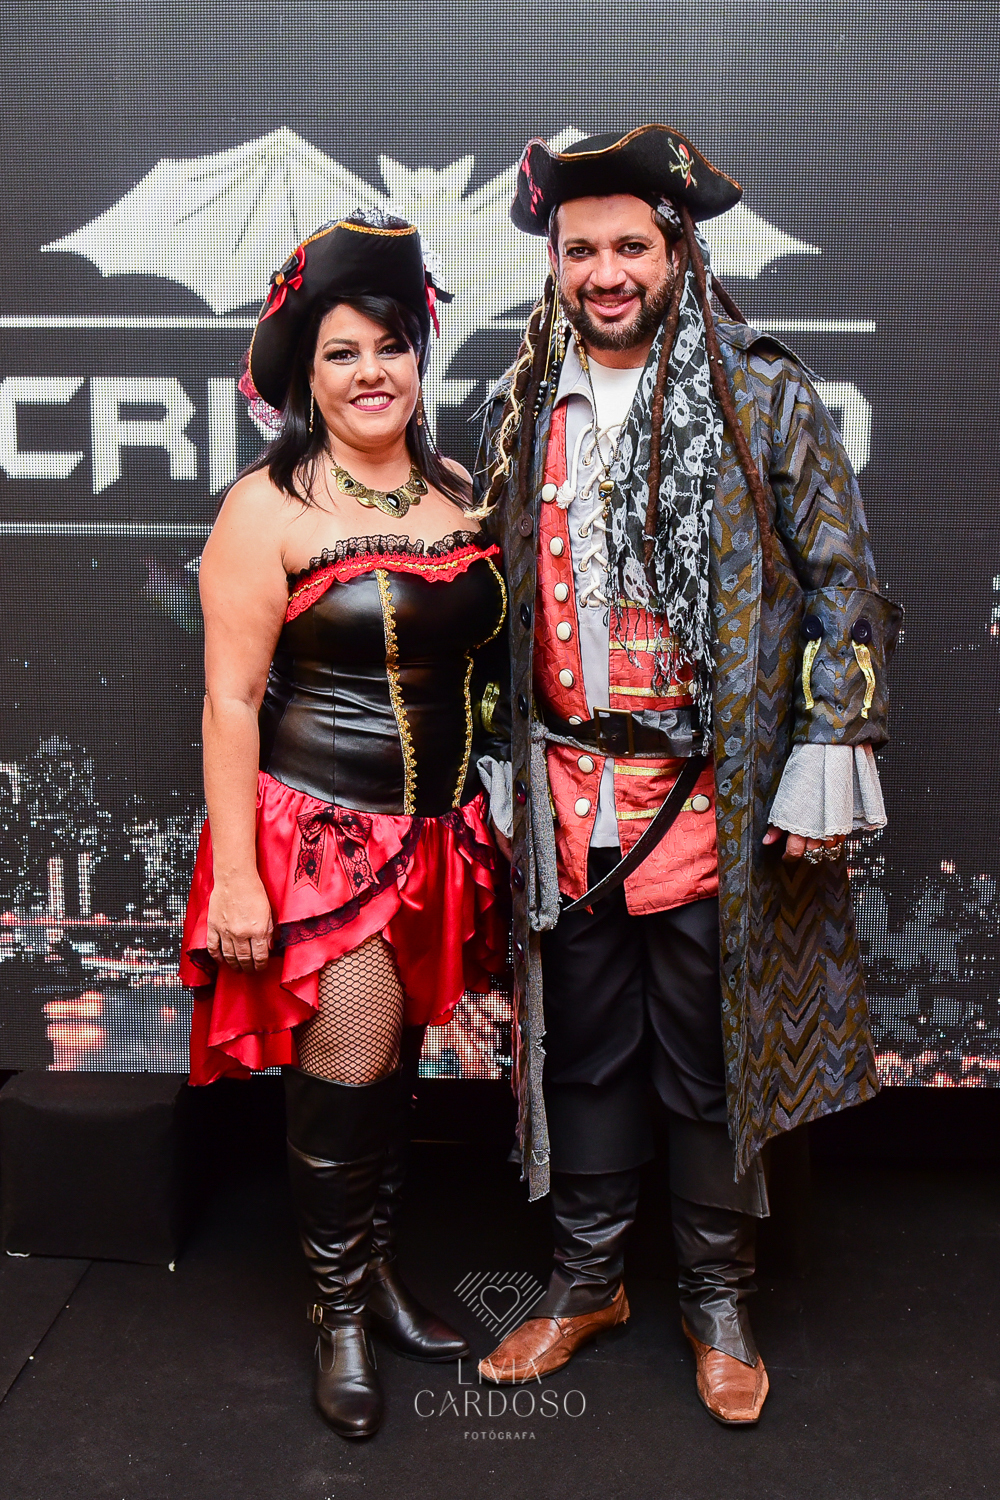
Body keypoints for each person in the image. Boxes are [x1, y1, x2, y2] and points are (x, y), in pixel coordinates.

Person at [473, 126, 901, 1424]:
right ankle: (588, 1279)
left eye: (629, 247)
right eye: (579, 250)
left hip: (711, 801)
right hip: (568, 801)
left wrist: (830, 747)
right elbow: (498, 603)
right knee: (584, 1048)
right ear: (554, 262)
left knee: (711, 1051)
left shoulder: (763, 395)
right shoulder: (522, 405)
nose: (604, 273)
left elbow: (845, 588)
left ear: (677, 252)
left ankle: (717, 1297)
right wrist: (496, 755)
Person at [179, 213, 509, 1440]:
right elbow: (229, 700)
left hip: (440, 836)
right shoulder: (264, 508)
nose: (371, 372)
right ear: (305, 379)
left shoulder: (460, 491)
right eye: (341, 353)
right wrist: (240, 883)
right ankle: (335, 1314)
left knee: (394, 1069)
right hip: (323, 840)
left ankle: (373, 1273)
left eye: (390, 346)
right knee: (349, 1062)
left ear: (420, 356)